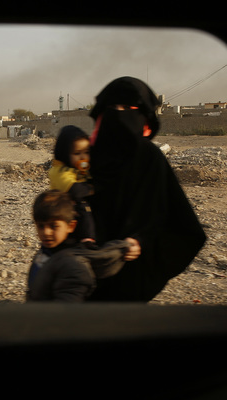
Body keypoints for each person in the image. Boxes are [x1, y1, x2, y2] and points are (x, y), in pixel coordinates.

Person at [86, 76, 207, 302]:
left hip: (129, 273)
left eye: (126, 108)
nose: (118, 114)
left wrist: (141, 243)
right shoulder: (86, 157)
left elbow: (180, 225)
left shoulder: (149, 158)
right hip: (83, 272)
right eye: (112, 107)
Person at [27, 190, 130, 302]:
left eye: (54, 226)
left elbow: (67, 308)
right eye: (41, 226)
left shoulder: (74, 265)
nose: (46, 232)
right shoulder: (46, 251)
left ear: (71, 226)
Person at [49, 125, 96, 246]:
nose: (83, 157)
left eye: (86, 152)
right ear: (65, 153)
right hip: (63, 211)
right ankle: (87, 239)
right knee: (84, 207)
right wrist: (93, 188)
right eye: (77, 153)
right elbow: (75, 190)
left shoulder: (79, 169)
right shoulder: (59, 171)